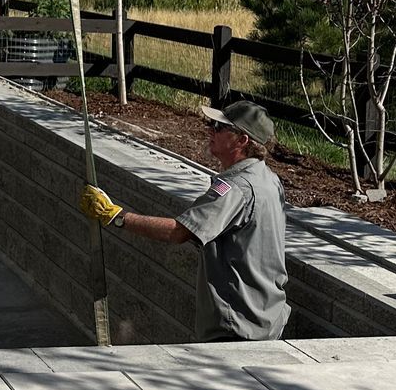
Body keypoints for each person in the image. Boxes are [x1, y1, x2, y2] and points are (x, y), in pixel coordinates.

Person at [76, 101, 288, 342]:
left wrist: (115, 216)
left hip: (239, 327)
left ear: (242, 141)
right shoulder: (268, 179)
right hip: (267, 318)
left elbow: (178, 232)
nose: (211, 131)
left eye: (219, 127)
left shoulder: (236, 188)